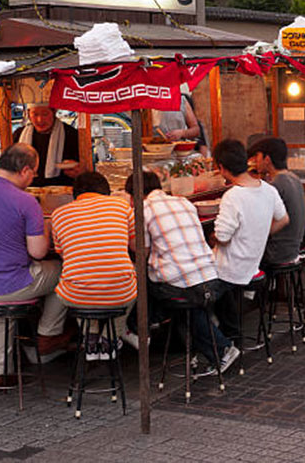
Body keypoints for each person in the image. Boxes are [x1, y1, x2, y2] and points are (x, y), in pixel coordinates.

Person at [0, 143, 70, 386]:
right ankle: (48, 336)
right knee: (67, 272)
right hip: (7, 285)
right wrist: (48, 230)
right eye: (34, 173)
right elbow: (39, 252)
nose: (33, 178)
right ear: (25, 171)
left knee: (1, 306)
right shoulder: (25, 201)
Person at [125, 172, 239, 373]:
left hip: (185, 284)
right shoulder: (184, 202)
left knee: (149, 282)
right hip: (211, 274)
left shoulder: (142, 211)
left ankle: (137, 327)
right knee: (182, 304)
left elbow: (142, 249)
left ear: (134, 195)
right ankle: (193, 348)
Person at [51, 172, 137, 359]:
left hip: (77, 296)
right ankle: (110, 339)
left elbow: (64, 255)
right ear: (106, 192)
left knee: (75, 278)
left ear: (75, 194)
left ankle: (89, 336)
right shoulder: (122, 207)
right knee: (132, 277)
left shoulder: (57, 215)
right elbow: (135, 245)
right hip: (119, 292)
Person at [211, 139, 289, 339]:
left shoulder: (233, 196)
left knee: (191, 291)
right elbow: (284, 219)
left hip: (230, 270)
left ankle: (224, 341)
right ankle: (224, 330)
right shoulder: (268, 190)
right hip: (253, 264)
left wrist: (211, 238)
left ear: (221, 167)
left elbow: (223, 237)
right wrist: (260, 233)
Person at [247, 137, 305, 268]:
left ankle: (252, 288)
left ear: (267, 159)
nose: (255, 162)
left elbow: (260, 221)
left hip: (277, 253)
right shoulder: (294, 178)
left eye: (257, 157)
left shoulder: (275, 185)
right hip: (295, 248)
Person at [13, 103, 81, 187]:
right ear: (29, 114)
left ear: (54, 112)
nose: (40, 120)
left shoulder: (71, 134)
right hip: (28, 191)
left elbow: (82, 168)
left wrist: (77, 171)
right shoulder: (19, 135)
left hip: (62, 191)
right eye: (35, 114)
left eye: (45, 114)